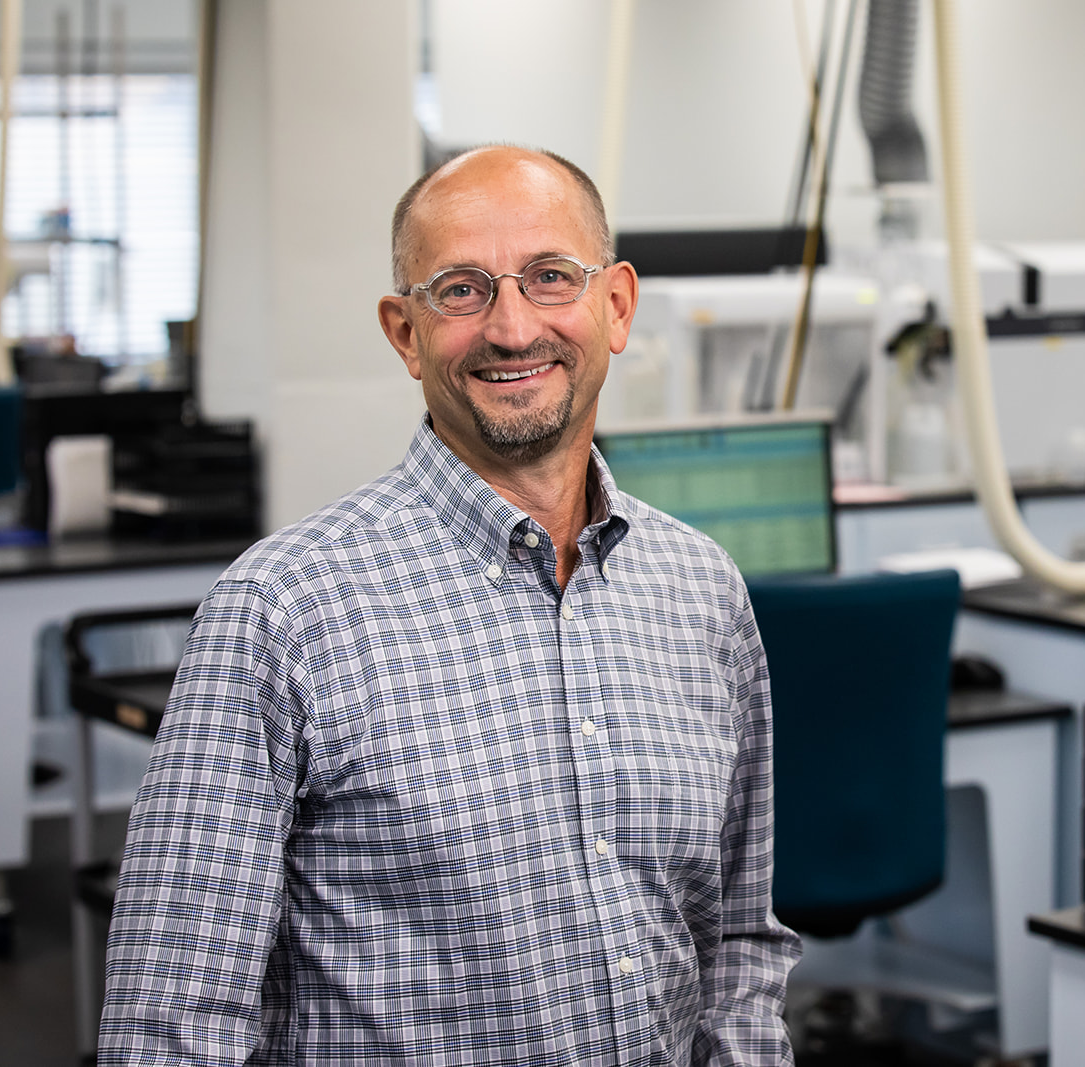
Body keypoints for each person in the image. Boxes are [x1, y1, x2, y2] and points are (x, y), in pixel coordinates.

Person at [99, 145, 801, 1065]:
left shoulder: (700, 589)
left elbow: (740, 942)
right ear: (404, 331)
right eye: (462, 291)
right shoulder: (281, 613)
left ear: (616, 305)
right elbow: (170, 1022)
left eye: (552, 278)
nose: (513, 329)